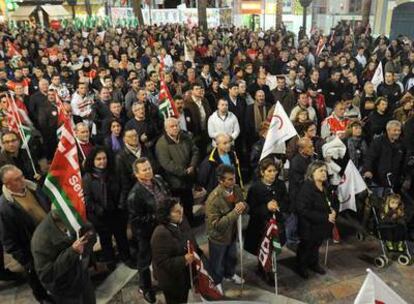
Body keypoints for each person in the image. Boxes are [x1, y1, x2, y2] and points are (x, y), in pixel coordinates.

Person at [0, 165, 52, 303]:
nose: (22, 180)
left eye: (21, 175)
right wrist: (26, 261)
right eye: (17, 179)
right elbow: (8, 241)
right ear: (7, 184)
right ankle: (44, 298)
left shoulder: (33, 187)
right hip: (32, 250)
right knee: (37, 279)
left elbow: (46, 203)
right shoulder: (5, 207)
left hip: (50, 239)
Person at [31, 207, 97, 304]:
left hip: (82, 278)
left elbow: (89, 234)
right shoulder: (41, 239)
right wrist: (72, 252)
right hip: (65, 289)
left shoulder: (74, 220)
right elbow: (46, 274)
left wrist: (89, 236)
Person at [127, 158, 170, 304]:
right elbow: (136, 220)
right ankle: (145, 288)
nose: (149, 171)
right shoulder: (134, 195)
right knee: (145, 261)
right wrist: (156, 217)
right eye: (144, 170)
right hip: (145, 232)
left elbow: (167, 194)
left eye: (149, 167)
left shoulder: (158, 180)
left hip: (164, 226)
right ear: (137, 174)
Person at [83, 147, 132, 269]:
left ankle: (126, 257)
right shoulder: (88, 178)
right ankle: (110, 261)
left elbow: (124, 187)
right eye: (99, 159)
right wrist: (98, 209)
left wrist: (121, 204)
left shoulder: (114, 172)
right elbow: (87, 199)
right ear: (93, 161)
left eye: (104, 158)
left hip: (117, 211)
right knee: (106, 240)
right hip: (100, 216)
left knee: (121, 237)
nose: (102, 161)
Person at [244, 158, 287, 284]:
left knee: (274, 247)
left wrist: (279, 205)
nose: (273, 174)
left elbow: (286, 201)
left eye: (275, 171)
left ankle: (270, 265)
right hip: (260, 225)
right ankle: (264, 270)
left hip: (276, 222)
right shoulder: (255, 188)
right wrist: (266, 207)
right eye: (269, 171)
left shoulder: (280, 184)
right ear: (262, 172)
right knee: (263, 248)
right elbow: (251, 209)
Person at [205, 164, 247, 291]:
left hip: (232, 233)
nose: (233, 181)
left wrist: (243, 206)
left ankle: (230, 274)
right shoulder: (213, 200)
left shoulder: (236, 189)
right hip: (219, 237)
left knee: (231, 257)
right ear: (220, 180)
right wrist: (235, 212)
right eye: (229, 179)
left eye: (234, 178)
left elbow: (243, 204)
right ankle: (216, 281)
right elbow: (216, 224)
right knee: (217, 263)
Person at [151, 198, 200, 304]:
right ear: (167, 215)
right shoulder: (161, 233)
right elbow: (162, 262)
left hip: (184, 276)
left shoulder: (182, 221)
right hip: (172, 281)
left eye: (181, 208)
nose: (181, 212)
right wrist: (184, 259)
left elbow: (190, 238)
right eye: (176, 211)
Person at [295, 161, 338, 279]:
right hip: (309, 226)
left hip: (321, 226)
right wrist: (325, 217)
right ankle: (301, 267)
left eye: (325, 170)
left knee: (316, 246)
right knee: (306, 247)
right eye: (321, 171)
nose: (324, 173)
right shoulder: (306, 188)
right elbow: (302, 210)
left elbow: (332, 202)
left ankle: (313, 264)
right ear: (312, 173)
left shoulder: (325, 187)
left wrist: (333, 210)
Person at [155, 117, 199, 225]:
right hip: (174, 182)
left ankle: (191, 221)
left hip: (188, 178)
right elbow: (166, 163)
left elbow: (195, 151)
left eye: (176, 125)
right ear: (166, 129)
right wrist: (184, 171)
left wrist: (192, 165)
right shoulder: (161, 144)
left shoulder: (185, 137)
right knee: (178, 206)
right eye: (172, 126)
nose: (175, 128)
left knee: (189, 202)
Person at [363, 120, 407, 192]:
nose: (397, 133)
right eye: (395, 130)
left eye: (399, 130)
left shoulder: (402, 144)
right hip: (378, 181)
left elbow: (404, 162)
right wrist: (368, 170)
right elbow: (370, 157)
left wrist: (405, 177)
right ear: (388, 130)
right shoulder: (378, 142)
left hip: (395, 181)